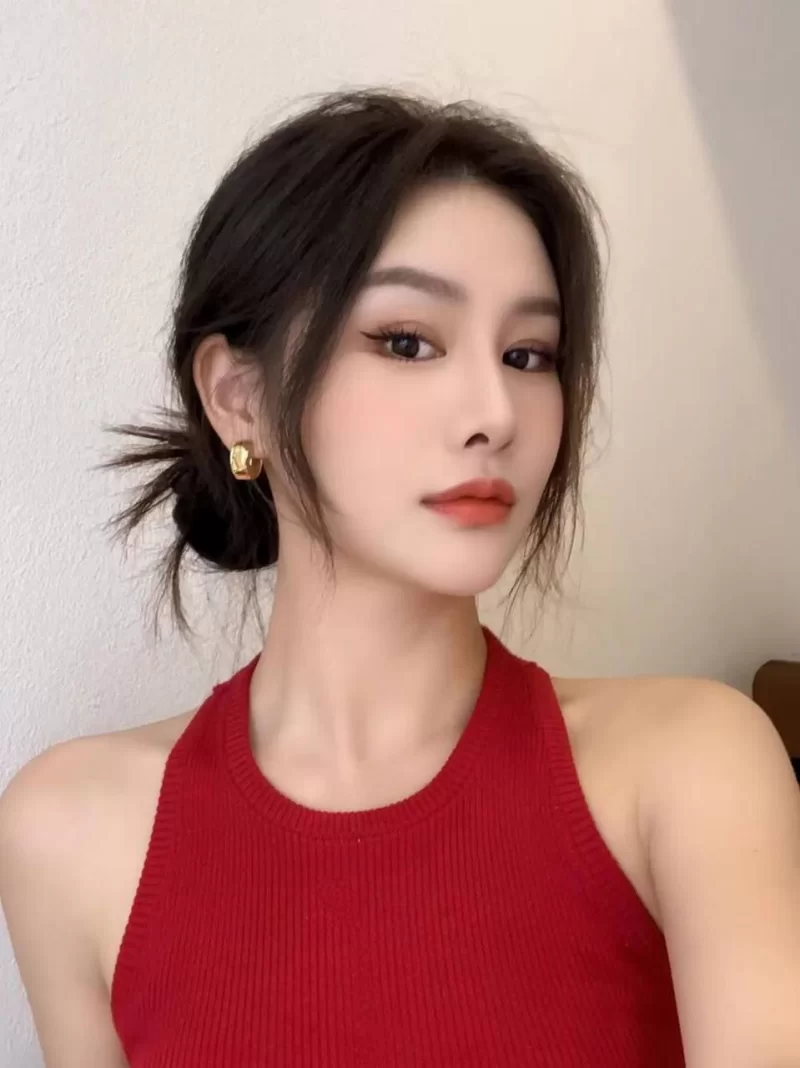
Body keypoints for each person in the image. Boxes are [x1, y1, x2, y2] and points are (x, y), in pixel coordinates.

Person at [1, 88, 798, 1068]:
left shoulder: (688, 769)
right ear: (238, 396)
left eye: (529, 354)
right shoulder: (69, 830)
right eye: (407, 341)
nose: (494, 412)